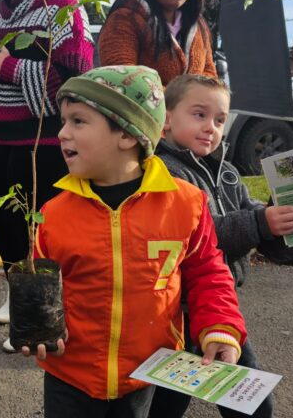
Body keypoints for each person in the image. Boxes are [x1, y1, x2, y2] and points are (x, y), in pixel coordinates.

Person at [22, 65, 247, 417]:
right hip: (70, 375)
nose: (62, 133)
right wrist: (36, 328)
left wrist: (219, 328)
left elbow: (207, 271)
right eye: (64, 121)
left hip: (145, 375)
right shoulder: (54, 212)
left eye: (78, 121)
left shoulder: (186, 203)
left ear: (127, 135)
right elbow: (41, 284)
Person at [150, 74, 293, 418]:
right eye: (199, 115)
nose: (211, 127)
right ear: (166, 121)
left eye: (220, 120)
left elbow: (251, 214)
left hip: (219, 309)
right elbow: (201, 235)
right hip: (179, 312)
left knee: (248, 399)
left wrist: (283, 223)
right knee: (168, 400)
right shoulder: (165, 172)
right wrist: (261, 223)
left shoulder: (227, 171)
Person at [0, 0, 94, 352]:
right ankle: (18, 293)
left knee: (45, 226)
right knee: (3, 220)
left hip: (43, 140)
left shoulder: (62, 5)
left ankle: (49, 310)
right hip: (0, 137)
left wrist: (11, 67)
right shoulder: (4, 12)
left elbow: (77, 77)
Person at [98, 0, 216, 86]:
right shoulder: (125, 18)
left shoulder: (198, 25)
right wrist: (181, 101)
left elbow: (209, 75)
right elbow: (122, 77)